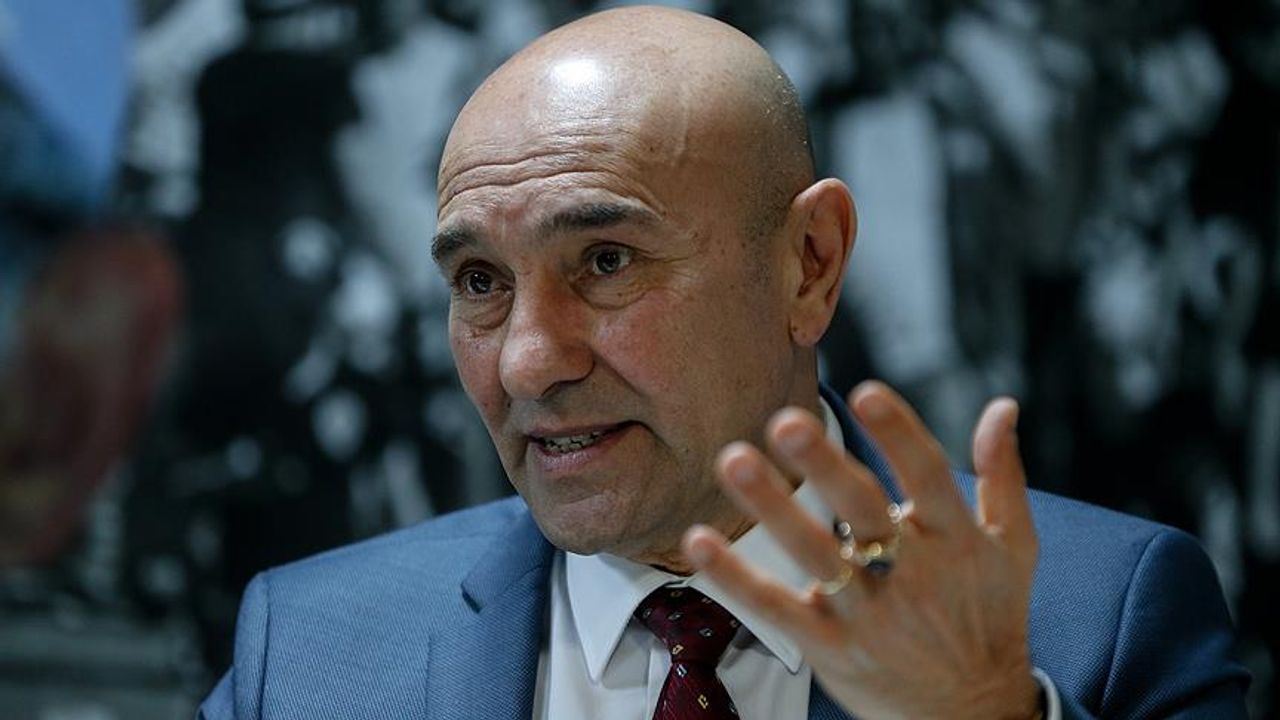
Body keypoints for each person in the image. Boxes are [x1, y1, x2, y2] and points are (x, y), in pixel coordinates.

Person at [199, 6, 1249, 719]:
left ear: (808, 264)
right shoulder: (308, 652)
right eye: (479, 281)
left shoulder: (1105, 617)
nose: (526, 363)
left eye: (605, 262)